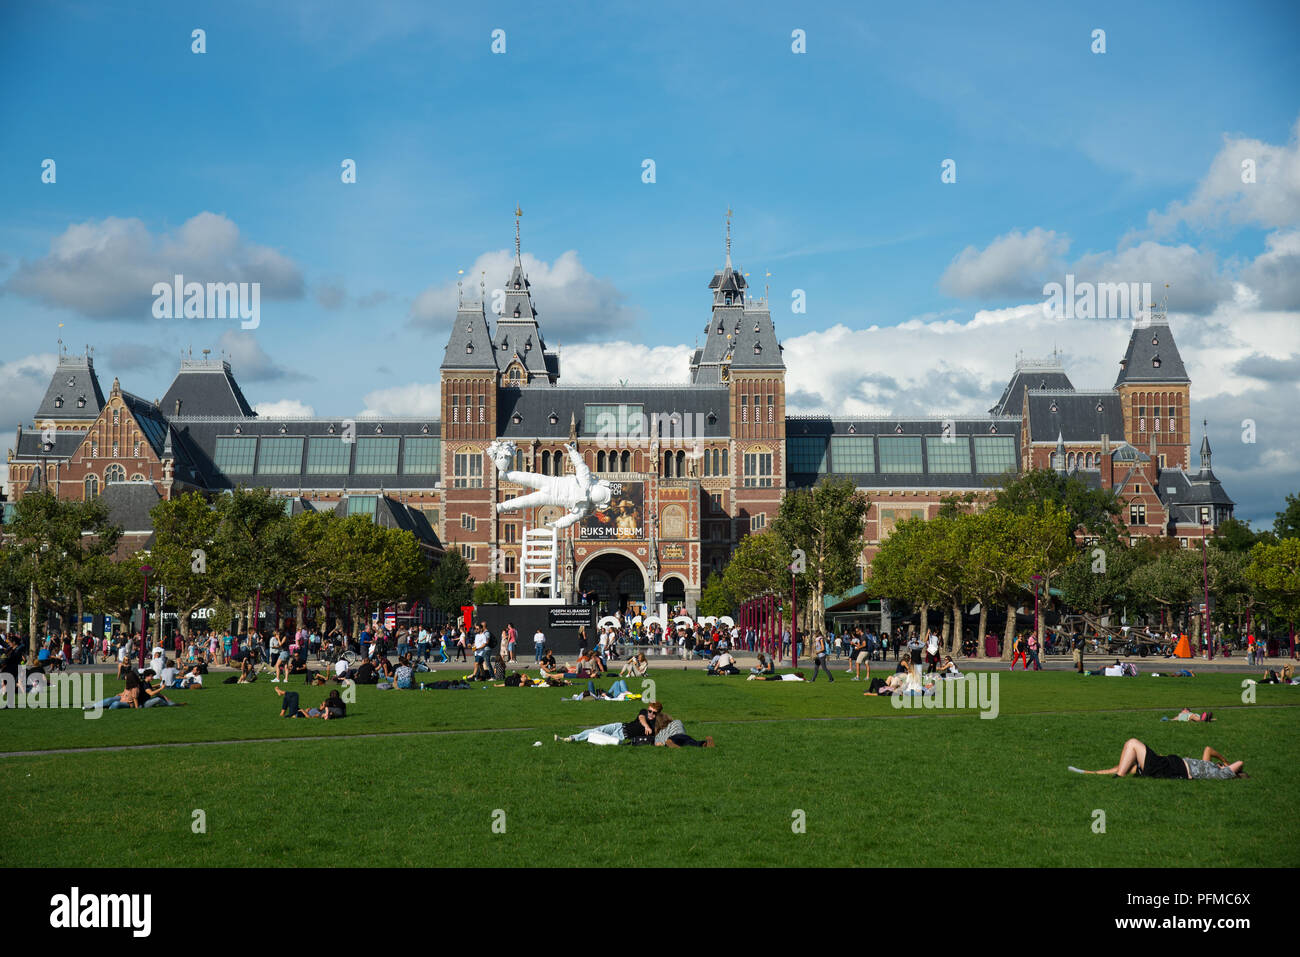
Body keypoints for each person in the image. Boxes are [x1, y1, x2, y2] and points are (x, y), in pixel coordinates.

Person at [1070, 739, 1246, 779]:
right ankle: (1091, 772)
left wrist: (1228, 768)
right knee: (1126, 762)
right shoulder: (1209, 766)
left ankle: (1119, 777)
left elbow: (1241, 763)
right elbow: (1208, 749)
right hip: (1166, 764)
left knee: (1132, 743)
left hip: (1166, 768)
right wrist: (1224, 759)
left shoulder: (1220, 774)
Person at [558, 701, 662, 743]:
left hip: (622, 737)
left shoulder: (656, 725)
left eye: (654, 712)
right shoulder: (644, 712)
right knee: (596, 729)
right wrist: (646, 727)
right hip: (619, 726)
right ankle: (572, 738)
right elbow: (641, 718)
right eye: (650, 711)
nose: (651, 714)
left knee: (598, 737)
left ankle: (578, 738)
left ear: (658, 714)